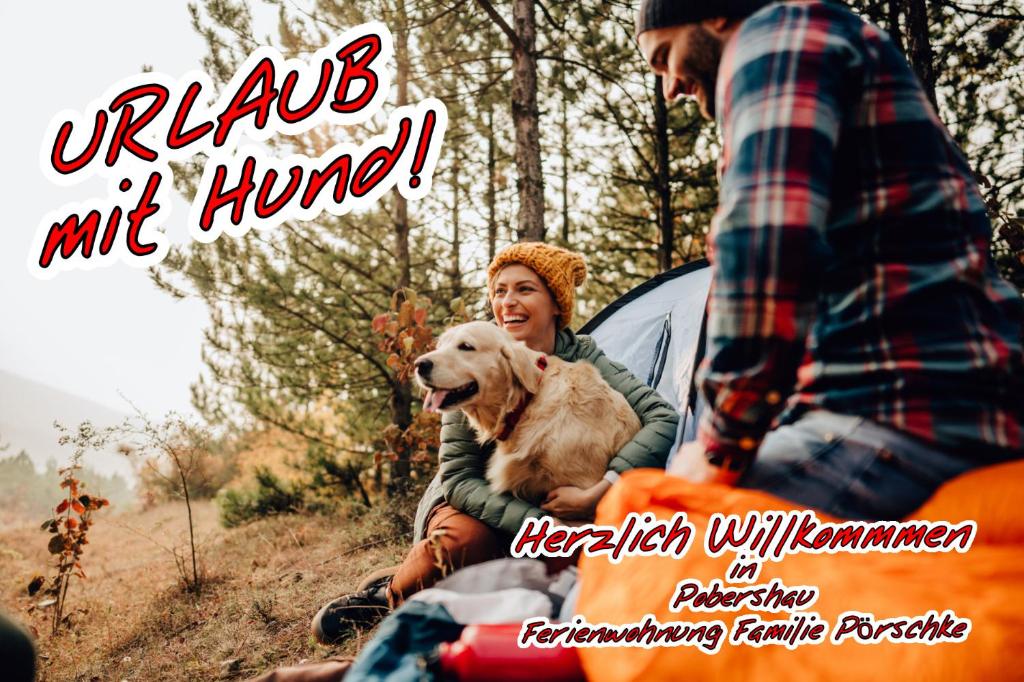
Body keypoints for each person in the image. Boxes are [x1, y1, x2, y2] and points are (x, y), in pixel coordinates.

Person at [636, 0, 1024, 519]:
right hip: (943, 402)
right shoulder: (823, 42)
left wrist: (718, 448)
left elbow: (765, 245)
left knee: (655, 530)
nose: (670, 87)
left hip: (901, 414)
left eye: (665, 57)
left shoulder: (774, 37)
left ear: (717, 15)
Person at [311, 242, 680, 643]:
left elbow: (663, 419)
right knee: (464, 545)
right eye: (500, 291)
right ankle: (387, 597)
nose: (509, 302)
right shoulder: (467, 360)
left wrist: (603, 488)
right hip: (480, 504)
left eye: (525, 289)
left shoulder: (585, 358)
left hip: (566, 504)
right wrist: (538, 526)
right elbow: (459, 477)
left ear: (555, 303)